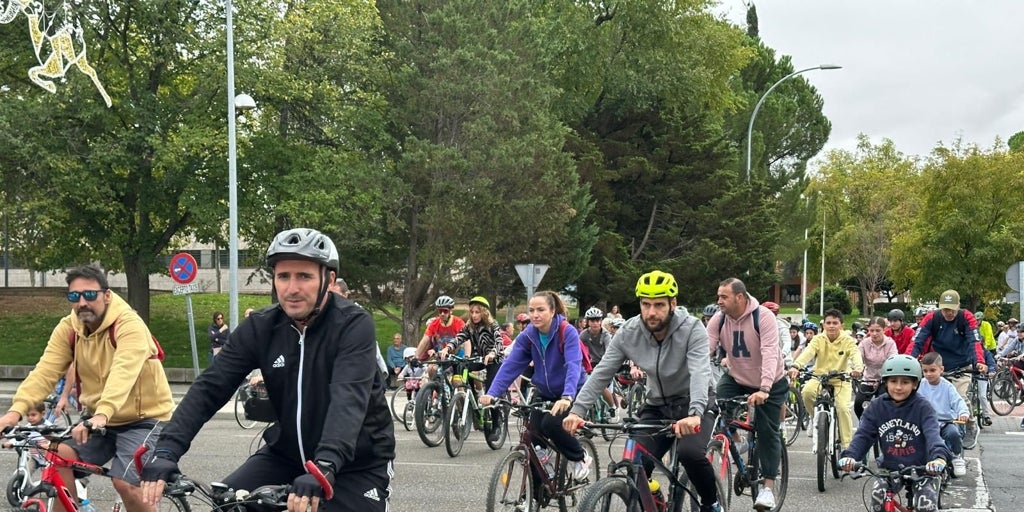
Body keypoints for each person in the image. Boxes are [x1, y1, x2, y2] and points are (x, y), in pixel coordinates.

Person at [140, 228, 395, 512]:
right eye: (283, 276)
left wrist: (324, 465)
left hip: (354, 465)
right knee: (227, 507)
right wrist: (166, 451)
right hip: (284, 456)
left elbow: (347, 399)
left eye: (304, 276)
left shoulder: (352, 325)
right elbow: (210, 388)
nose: (292, 287)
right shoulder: (261, 327)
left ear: (328, 279)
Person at [0, 264, 173, 511]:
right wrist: (14, 413)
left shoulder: (129, 324)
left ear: (107, 295)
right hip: (98, 419)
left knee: (126, 483)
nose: (82, 302)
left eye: (90, 294)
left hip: (145, 418)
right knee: (58, 456)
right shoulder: (69, 328)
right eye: (74, 296)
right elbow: (45, 371)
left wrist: (103, 413)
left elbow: (123, 372)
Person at [562, 271, 719, 512]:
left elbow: (700, 371)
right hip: (657, 405)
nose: (651, 312)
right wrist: (577, 411)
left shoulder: (692, 328)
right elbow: (602, 371)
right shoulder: (629, 331)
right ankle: (654, 497)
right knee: (633, 463)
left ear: (673, 304)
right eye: (646, 304)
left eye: (659, 304)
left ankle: (711, 504)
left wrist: (696, 413)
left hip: (694, 403)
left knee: (690, 454)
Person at [480, 290, 590, 481]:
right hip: (545, 392)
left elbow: (573, 364)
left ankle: (579, 457)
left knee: (552, 424)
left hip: (571, 391)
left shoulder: (567, 331)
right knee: (532, 433)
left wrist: (567, 397)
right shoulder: (529, 335)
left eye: (541, 310)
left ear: (553, 311)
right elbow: (511, 365)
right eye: (531, 310)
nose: (535, 315)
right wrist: (492, 393)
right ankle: (533, 496)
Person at [706, 278, 787, 510]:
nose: (719, 301)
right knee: (714, 408)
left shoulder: (763, 317)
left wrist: (764, 389)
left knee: (766, 429)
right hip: (737, 378)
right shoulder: (719, 319)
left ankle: (768, 488)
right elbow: (703, 351)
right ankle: (732, 443)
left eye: (724, 297)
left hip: (770, 381)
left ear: (739, 297)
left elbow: (771, 352)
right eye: (718, 296)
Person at [838, 355, 949, 512]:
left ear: (915, 384)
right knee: (878, 494)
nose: (898, 387)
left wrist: (938, 458)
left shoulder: (923, 407)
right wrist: (850, 456)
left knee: (926, 504)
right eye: (893, 381)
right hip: (890, 467)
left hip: (923, 468)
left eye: (905, 382)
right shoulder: (876, 407)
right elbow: (863, 435)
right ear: (885, 382)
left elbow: (933, 435)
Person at [910, 290, 994, 426]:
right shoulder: (932, 318)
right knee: (922, 398)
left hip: (961, 365)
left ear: (958, 306)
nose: (949, 313)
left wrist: (980, 361)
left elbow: (974, 341)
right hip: (936, 366)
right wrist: (909, 361)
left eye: (952, 309)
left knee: (960, 397)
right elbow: (917, 341)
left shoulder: (966, 317)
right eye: (945, 309)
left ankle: (969, 425)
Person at [789, 308, 864, 450]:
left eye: (835, 323)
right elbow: (808, 352)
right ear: (823, 325)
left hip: (841, 378)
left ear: (842, 325)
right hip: (820, 377)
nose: (831, 326)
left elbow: (855, 354)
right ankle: (816, 418)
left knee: (842, 408)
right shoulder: (818, 339)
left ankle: (847, 447)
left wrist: (858, 368)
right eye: (828, 323)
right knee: (807, 393)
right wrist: (796, 365)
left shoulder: (847, 340)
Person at [455, 296, 504, 441]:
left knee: (491, 391)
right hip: (481, 358)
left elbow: (499, 343)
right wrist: (447, 349)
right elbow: (459, 338)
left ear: (484, 312)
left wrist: (492, 353)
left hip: (495, 360)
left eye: (477, 312)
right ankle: (474, 400)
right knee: (463, 366)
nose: (474, 315)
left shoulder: (492, 325)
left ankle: (496, 424)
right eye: (472, 312)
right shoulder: (469, 326)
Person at [917, 352, 969, 477]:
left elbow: (958, 402)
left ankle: (957, 456)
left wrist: (963, 413)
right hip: (927, 423)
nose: (928, 374)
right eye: (925, 371)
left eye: (932, 370)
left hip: (945, 422)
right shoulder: (921, 385)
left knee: (953, 434)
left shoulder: (947, 386)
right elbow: (913, 402)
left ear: (941, 369)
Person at [855, 317, 898, 419]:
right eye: (871, 330)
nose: (874, 333)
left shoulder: (890, 343)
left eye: (878, 330)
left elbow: (893, 360)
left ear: (884, 330)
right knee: (858, 404)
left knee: (883, 403)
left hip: (884, 379)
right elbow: (856, 358)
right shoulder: (864, 343)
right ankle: (864, 426)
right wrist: (856, 369)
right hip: (868, 378)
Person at [579, 306, 618, 413]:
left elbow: (609, 353)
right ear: (587, 322)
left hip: (606, 362)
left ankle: (612, 407)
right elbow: (578, 349)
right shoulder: (584, 335)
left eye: (597, 320)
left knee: (600, 386)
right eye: (592, 320)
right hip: (592, 363)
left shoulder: (606, 335)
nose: (595, 323)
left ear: (601, 321)